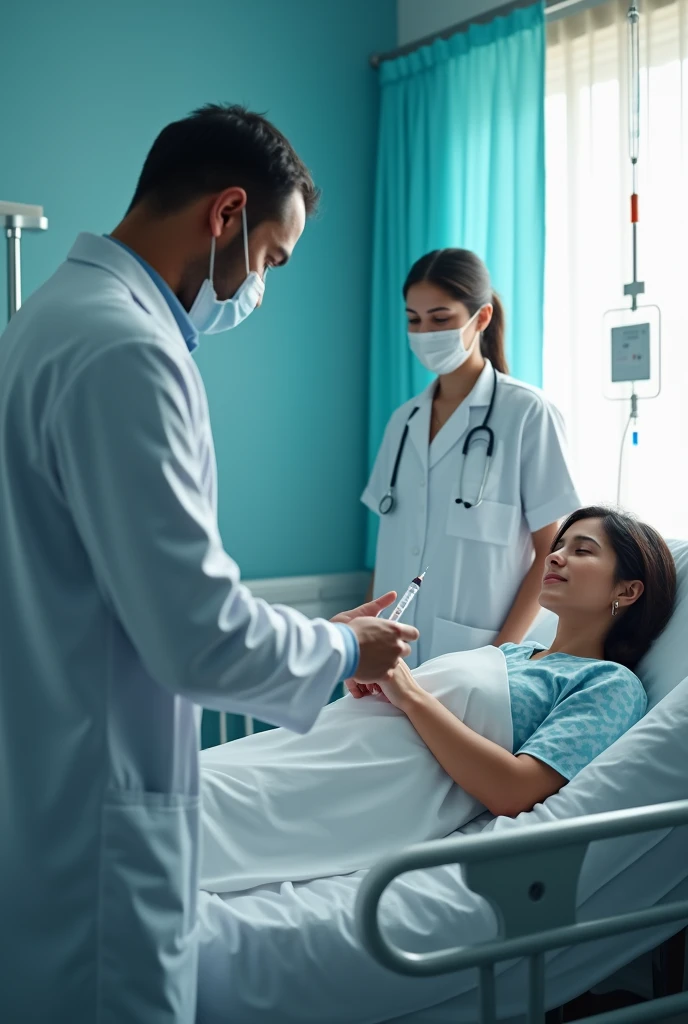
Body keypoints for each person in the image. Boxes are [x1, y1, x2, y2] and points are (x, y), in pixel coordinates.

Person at [0, 105, 418, 1024]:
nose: (257, 288)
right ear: (227, 214)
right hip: (100, 825)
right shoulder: (127, 351)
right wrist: (349, 653)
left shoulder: (46, 321)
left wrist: (323, 636)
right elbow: (198, 637)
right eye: (269, 259)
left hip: (47, 790)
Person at [197, 506, 675, 894]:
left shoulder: (608, 684)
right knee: (180, 784)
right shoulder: (513, 652)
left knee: (185, 815)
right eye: (558, 547)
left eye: (582, 550)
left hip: (346, 789)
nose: (555, 557)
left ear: (628, 590)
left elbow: (516, 792)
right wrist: (367, 680)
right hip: (309, 746)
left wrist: (407, 692)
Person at [362, 249, 581, 668]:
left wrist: (496, 655)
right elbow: (390, 549)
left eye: (440, 318)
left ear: (481, 318)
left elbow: (553, 553)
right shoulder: (403, 422)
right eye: (414, 319)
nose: (425, 331)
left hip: (481, 660)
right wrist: (368, 639)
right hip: (393, 661)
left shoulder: (528, 414)